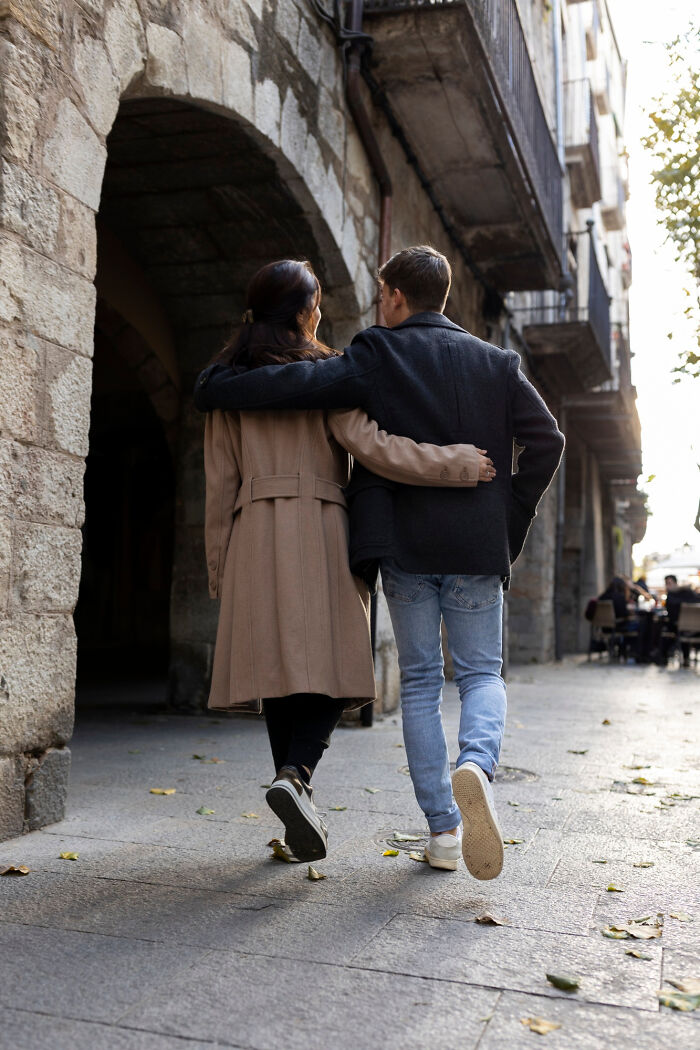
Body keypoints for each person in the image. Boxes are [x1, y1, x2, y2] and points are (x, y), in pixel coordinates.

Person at [195, 245, 565, 880]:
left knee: (404, 682)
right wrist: (491, 496)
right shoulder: (472, 363)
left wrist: (218, 560)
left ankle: (423, 825)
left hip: (325, 537)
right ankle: (457, 766)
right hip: (382, 532)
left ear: (396, 295)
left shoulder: (343, 361)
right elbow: (380, 446)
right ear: (306, 314)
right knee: (448, 673)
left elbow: (221, 479)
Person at [659, 574, 700, 667]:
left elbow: (670, 614)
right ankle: (685, 657)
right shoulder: (690, 594)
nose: (667, 586)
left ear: (675, 583)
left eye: (669, 583)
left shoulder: (672, 597)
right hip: (696, 628)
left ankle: (663, 656)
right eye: (666, 584)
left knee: (669, 629)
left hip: (679, 627)